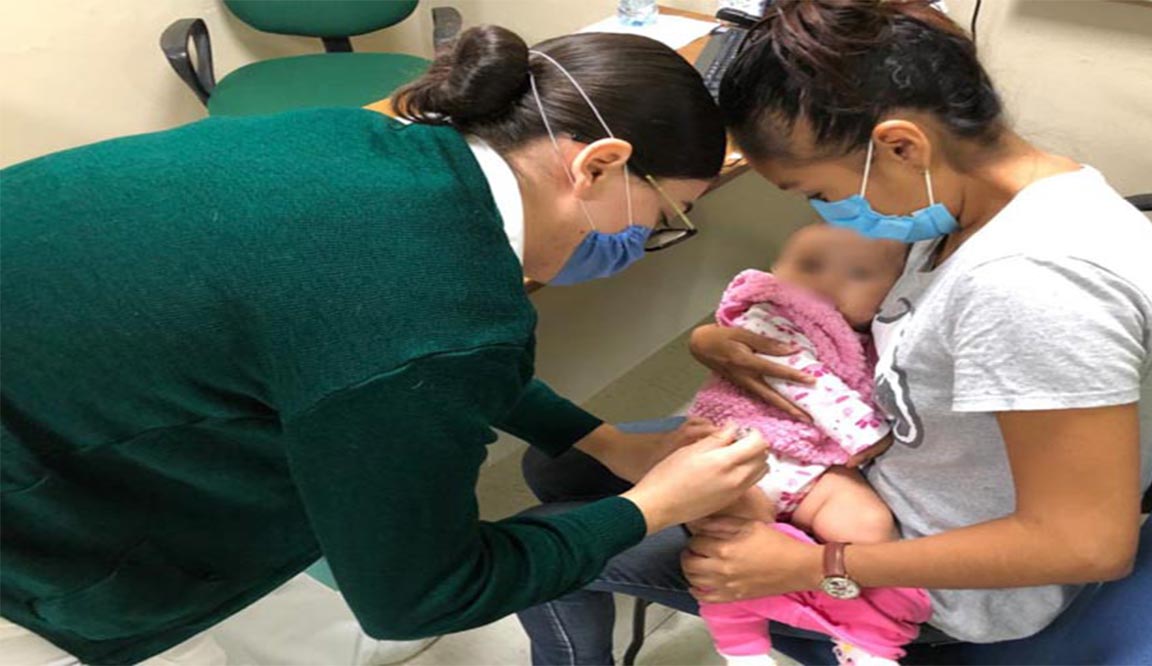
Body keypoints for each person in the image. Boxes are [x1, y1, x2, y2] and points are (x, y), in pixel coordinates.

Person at [0, 26, 770, 666]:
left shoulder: (370, 140)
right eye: (668, 212)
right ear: (599, 164)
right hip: (36, 499)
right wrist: (649, 509)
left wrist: (600, 440)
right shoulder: (435, 303)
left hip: (69, 373)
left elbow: (401, 362)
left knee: (277, 600)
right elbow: (419, 593)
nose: (651, 237)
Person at [517, 1, 1152, 663]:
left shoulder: (1034, 286)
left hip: (919, 579)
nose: (824, 212)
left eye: (814, 189)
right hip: (860, 469)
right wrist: (712, 341)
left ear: (901, 145)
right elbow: (888, 326)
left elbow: (1086, 543)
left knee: (536, 548)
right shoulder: (971, 203)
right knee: (563, 462)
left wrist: (815, 567)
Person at [688, 227, 928, 666]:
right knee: (727, 541)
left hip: (811, 468)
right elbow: (803, 381)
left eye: (858, 273)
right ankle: (742, 648)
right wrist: (869, 436)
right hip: (744, 451)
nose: (825, 283)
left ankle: (863, 640)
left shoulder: (874, 335)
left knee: (867, 527)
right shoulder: (771, 314)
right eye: (809, 265)